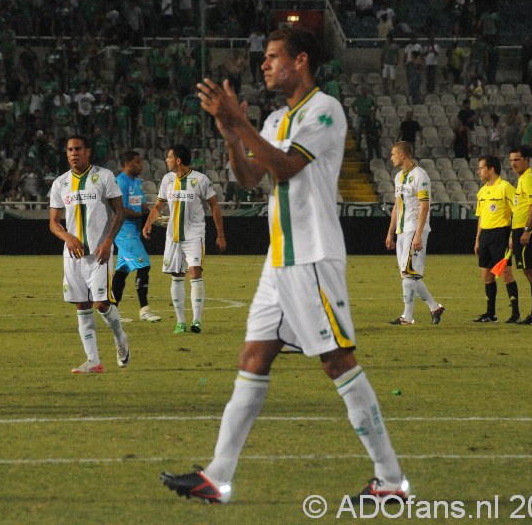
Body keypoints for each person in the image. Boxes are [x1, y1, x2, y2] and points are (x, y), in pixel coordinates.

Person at [159, 27, 408, 505]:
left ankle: (390, 480)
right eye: (265, 57)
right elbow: (251, 175)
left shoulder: (324, 109)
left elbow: (287, 166)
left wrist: (241, 123)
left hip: (312, 256)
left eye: (274, 56)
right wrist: (232, 133)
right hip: (280, 262)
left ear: (302, 61)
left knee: (338, 362)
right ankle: (218, 475)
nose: (265, 64)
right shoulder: (274, 118)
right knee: (252, 359)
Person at [49, 135, 131, 373]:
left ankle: (120, 338)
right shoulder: (60, 184)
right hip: (72, 255)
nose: (74, 153)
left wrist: (108, 242)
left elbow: (119, 212)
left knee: (101, 303)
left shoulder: (104, 177)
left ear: (88, 151)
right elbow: (53, 223)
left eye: (78, 149)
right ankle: (93, 361)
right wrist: (68, 237)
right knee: (82, 305)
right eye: (70, 150)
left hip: (100, 253)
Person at [143, 144, 226, 334]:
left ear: (178, 160)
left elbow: (214, 206)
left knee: (195, 273)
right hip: (173, 236)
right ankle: (180, 321)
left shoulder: (201, 180)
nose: (166, 160)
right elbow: (158, 206)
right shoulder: (167, 180)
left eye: (169, 157)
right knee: (177, 276)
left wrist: (220, 234)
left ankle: (196, 321)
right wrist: (148, 224)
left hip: (194, 235)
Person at [386, 141, 445, 325]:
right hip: (401, 230)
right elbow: (397, 205)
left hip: (414, 229)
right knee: (408, 274)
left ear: (403, 155)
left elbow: (424, 206)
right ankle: (434, 307)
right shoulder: (398, 177)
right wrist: (390, 232)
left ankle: (407, 316)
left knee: (409, 274)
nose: (391, 158)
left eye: (393, 154)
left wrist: (419, 234)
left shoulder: (420, 175)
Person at [111, 150, 161, 323]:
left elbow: (142, 205)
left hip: (134, 231)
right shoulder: (120, 183)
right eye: (137, 163)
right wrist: (141, 216)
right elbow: (120, 210)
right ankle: (144, 310)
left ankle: (113, 312)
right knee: (144, 265)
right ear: (127, 164)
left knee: (122, 271)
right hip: (124, 231)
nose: (141, 165)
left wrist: (154, 215)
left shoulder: (137, 183)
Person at [473, 155, 519, 323]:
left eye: (481, 168)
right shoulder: (482, 191)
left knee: (506, 273)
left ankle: (515, 313)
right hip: (485, 235)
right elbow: (480, 217)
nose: (479, 171)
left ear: (491, 169)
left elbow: (517, 212)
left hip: (501, 234)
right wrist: (478, 239)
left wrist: (513, 235)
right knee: (486, 276)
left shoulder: (505, 187)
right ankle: (490, 313)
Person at [509, 146, 532, 325]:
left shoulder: (529, 179)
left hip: (526, 231)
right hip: (519, 231)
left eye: (517, 160)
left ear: (526, 160)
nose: (513, 164)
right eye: (511, 160)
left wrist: (527, 230)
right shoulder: (523, 179)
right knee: (528, 270)